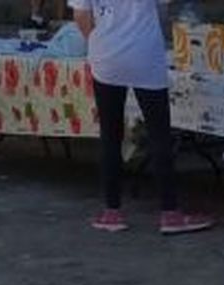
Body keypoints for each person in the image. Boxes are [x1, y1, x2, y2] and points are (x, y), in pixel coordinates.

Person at [69, 0, 212, 235]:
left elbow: (81, 16)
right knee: (159, 134)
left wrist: (98, 39)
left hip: (106, 55)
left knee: (110, 135)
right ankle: (170, 212)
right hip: (144, 54)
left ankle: (112, 211)